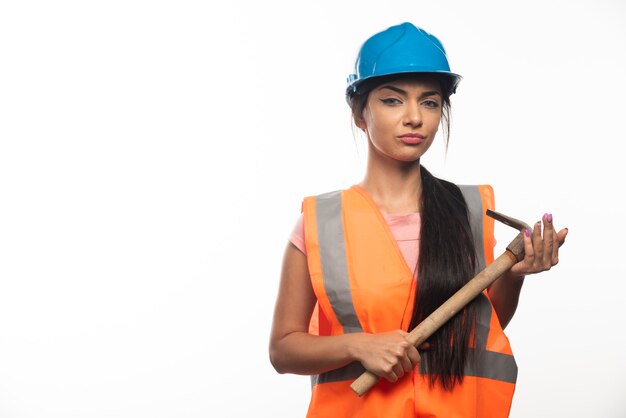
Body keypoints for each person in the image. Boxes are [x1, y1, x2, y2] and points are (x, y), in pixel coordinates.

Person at [269, 22, 568, 417]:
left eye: (429, 102)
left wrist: (515, 275)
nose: (415, 117)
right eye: (393, 101)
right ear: (359, 113)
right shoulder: (321, 223)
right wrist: (358, 345)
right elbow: (283, 349)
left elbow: (481, 330)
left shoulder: (469, 210)